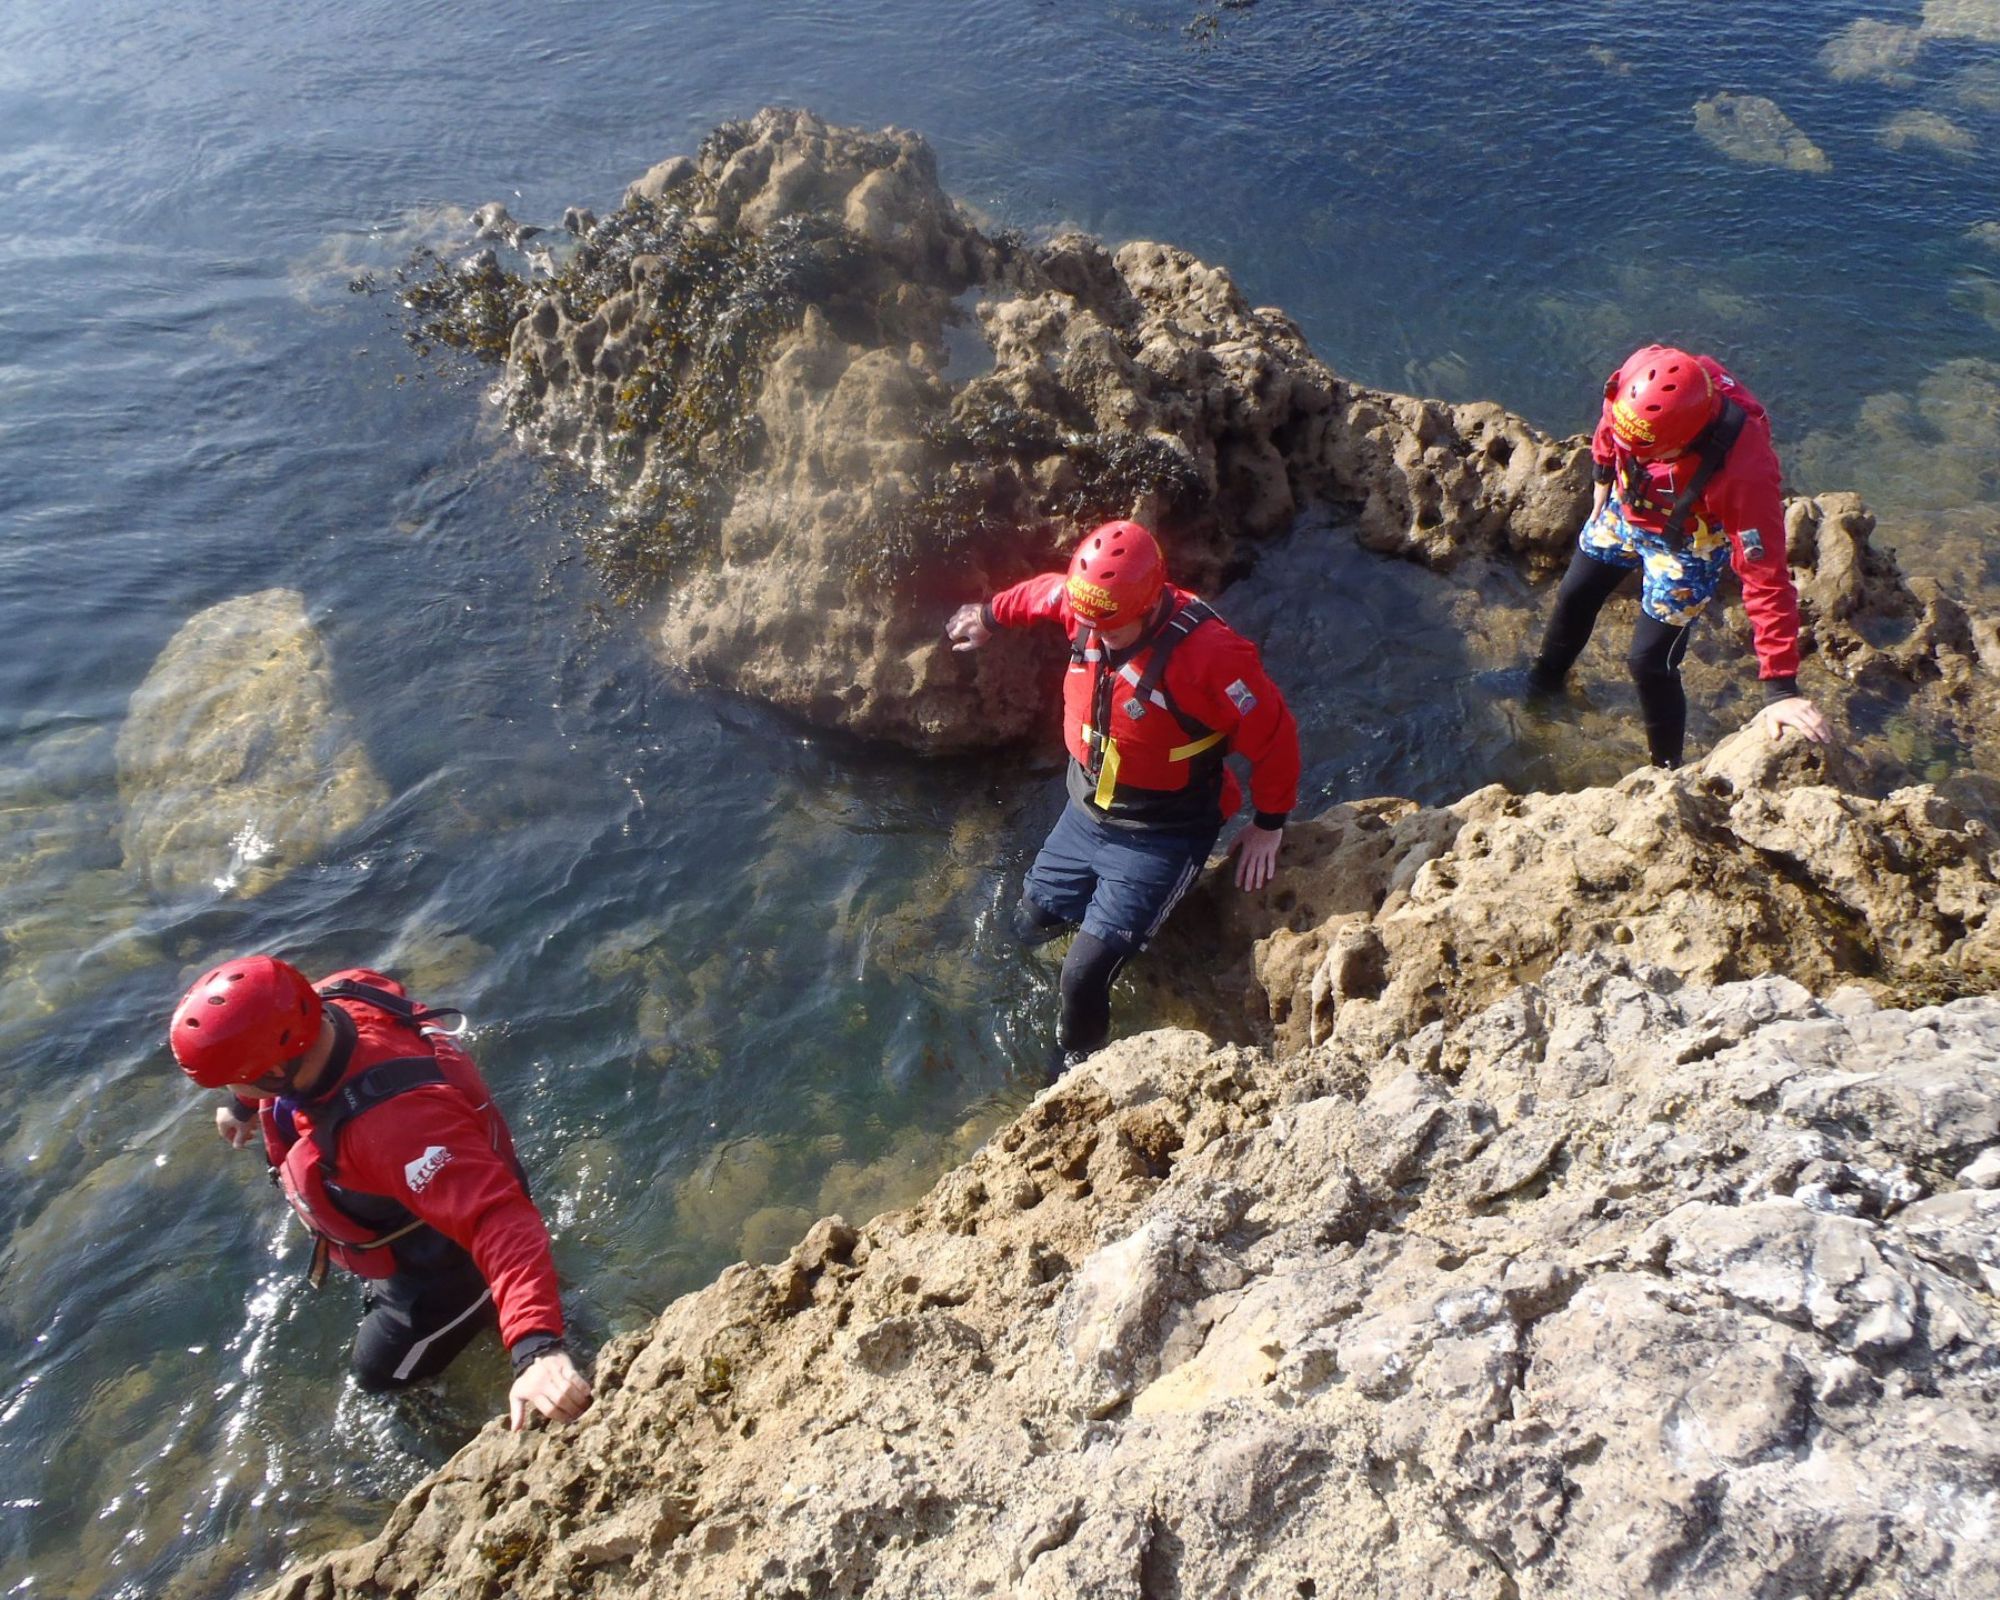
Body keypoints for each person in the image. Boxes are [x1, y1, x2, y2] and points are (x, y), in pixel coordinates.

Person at [171, 955, 592, 1430]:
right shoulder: (335, 995)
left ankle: (523, 1364)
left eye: (232, 1079)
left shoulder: (393, 1131)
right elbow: (283, 1047)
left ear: (274, 1074)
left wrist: (536, 1346)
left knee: (380, 1376)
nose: (229, 1089)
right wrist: (243, 1102)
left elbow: (499, 1219)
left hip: (445, 1268)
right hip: (421, 1195)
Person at [947, 520, 1300, 1073]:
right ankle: (1099, 935)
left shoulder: (1213, 657)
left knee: (1082, 974)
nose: (1093, 634)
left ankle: (1075, 1062)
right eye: (1087, 621)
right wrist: (990, 616)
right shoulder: (1089, 608)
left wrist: (1270, 821)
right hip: (1087, 809)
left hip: (1162, 834)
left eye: (1109, 628)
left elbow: (1274, 736)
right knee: (1027, 924)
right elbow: (1044, 594)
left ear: (1147, 601)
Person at [1526, 344, 1833, 767]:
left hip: (1689, 545)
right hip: (1626, 506)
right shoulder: (1642, 374)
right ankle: (1541, 688)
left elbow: (1765, 575)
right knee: (1575, 594)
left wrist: (1780, 688)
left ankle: (1664, 771)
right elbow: (1612, 413)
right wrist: (1602, 467)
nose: (1639, 455)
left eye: (1651, 453)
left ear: (1686, 441)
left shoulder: (1744, 470)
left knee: (1648, 662)